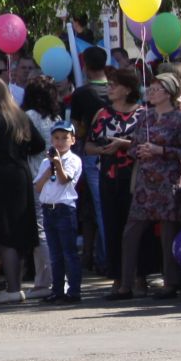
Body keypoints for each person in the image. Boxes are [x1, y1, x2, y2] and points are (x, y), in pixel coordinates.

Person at [125, 74, 181, 300]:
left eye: (156, 89)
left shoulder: (180, 118)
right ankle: (125, 284)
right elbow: (131, 145)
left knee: (167, 233)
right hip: (145, 183)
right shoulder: (145, 116)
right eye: (151, 88)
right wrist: (139, 151)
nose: (150, 92)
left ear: (168, 93)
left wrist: (161, 151)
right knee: (131, 231)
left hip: (168, 181)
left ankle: (170, 283)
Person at [0, 76, 44, 302]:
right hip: (21, 174)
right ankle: (18, 283)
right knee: (21, 230)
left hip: (0, 177)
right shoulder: (20, 115)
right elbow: (39, 144)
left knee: (5, 234)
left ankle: (13, 287)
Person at [89, 70, 146, 300]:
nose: (109, 89)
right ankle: (118, 278)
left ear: (128, 89)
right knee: (112, 227)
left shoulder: (143, 114)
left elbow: (146, 142)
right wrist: (102, 150)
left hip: (134, 177)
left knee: (138, 229)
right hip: (109, 176)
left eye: (114, 85)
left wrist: (123, 144)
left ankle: (141, 277)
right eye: (109, 85)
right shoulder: (102, 114)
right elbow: (88, 146)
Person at [70, 47, 113, 269]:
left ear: (85, 66)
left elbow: (76, 127)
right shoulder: (116, 91)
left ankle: (107, 259)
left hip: (91, 152)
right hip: (117, 153)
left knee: (99, 207)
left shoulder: (82, 93)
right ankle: (103, 256)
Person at [35, 122, 85, 303]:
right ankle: (57, 290)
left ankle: (74, 291)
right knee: (54, 253)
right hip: (48, 210)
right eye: (56, 138)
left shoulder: (73, 160)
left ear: (72, 140)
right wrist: (49, 169)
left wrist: (58, 163)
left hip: (64, 209)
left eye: (65, 138)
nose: (60, 142)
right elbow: (38, 187)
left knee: (68, 252)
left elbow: (65, 180)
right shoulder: (44, 163)